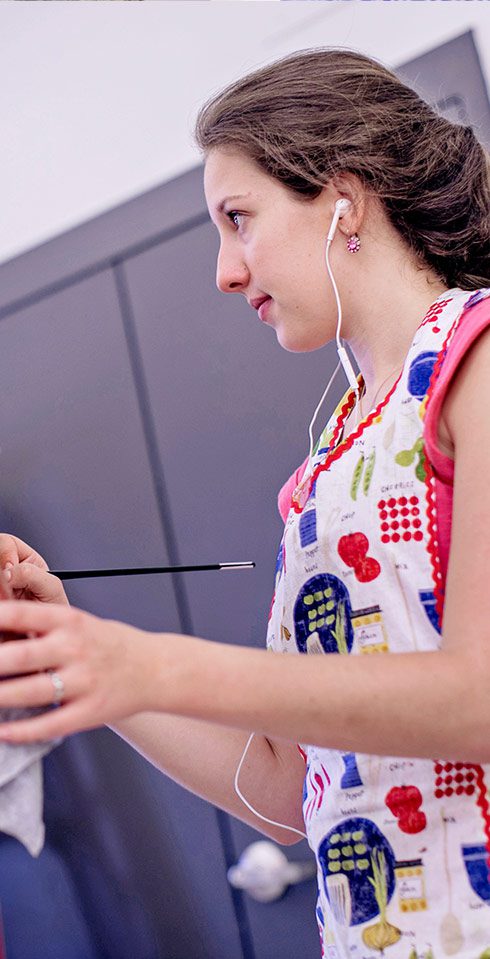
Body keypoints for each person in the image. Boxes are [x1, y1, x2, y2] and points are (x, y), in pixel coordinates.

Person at [0, 47, 489, 956]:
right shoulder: (335, 448)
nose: (225, 271)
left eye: (238, 219)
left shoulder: (479, 357)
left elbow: (479, 695)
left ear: (345, 197)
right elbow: (284, 792)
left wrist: (150, 663)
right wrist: (83, 663)